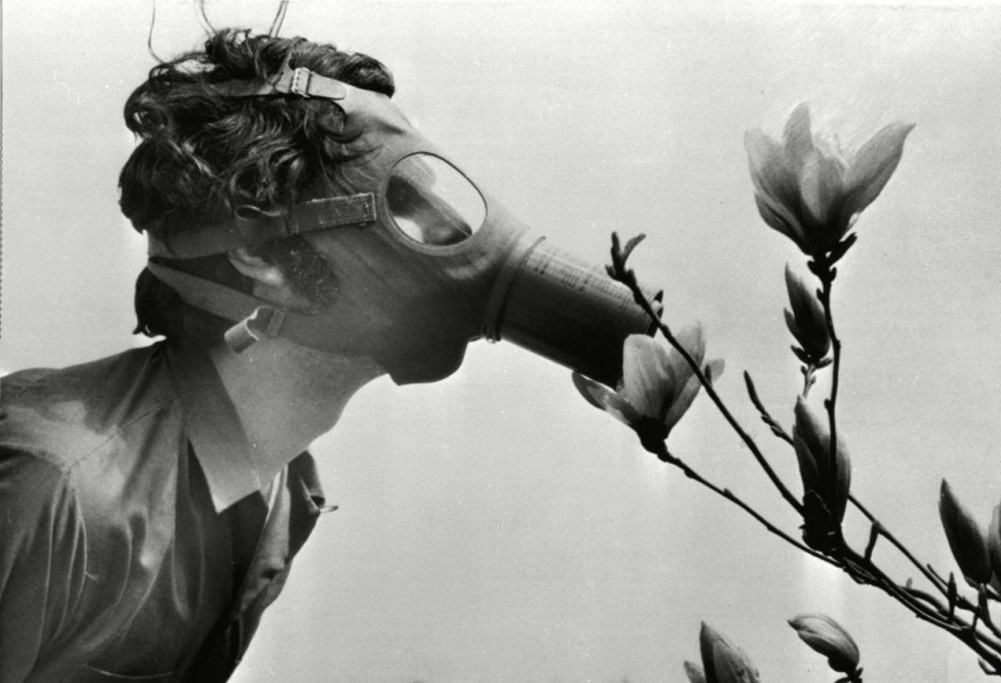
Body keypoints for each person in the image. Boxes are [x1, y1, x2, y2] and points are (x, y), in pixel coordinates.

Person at [0, 25, 653, 683]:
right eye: (401, 205)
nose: (447, 234)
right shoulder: (52, 486)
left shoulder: (280, 494)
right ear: (260, 258)